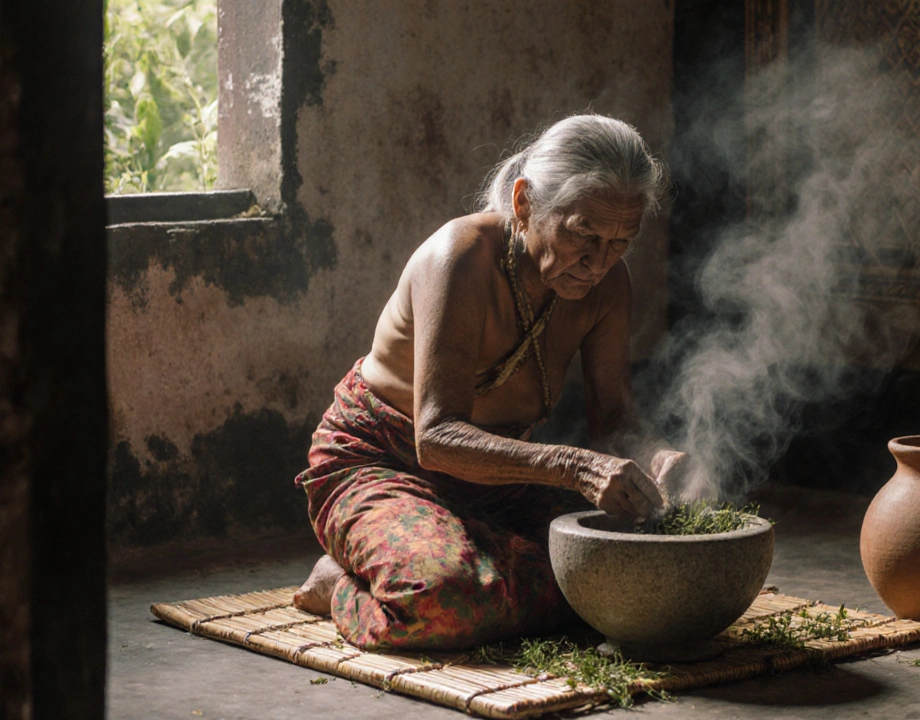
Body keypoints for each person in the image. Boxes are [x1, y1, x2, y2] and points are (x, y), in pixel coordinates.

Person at [291, 114, 686, 652]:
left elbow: (613, 418)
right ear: (525, 202)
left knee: (641, 571)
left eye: (620, 241)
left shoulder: (609, 285)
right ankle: (337, 584)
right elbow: (436, 437)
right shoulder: (459, 258)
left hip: (498, 477)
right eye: (583, 236)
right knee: (444, 597)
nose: (597, 262)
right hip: (382, 460)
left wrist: (657, 457)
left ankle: (466, 556)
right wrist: (573, 466)